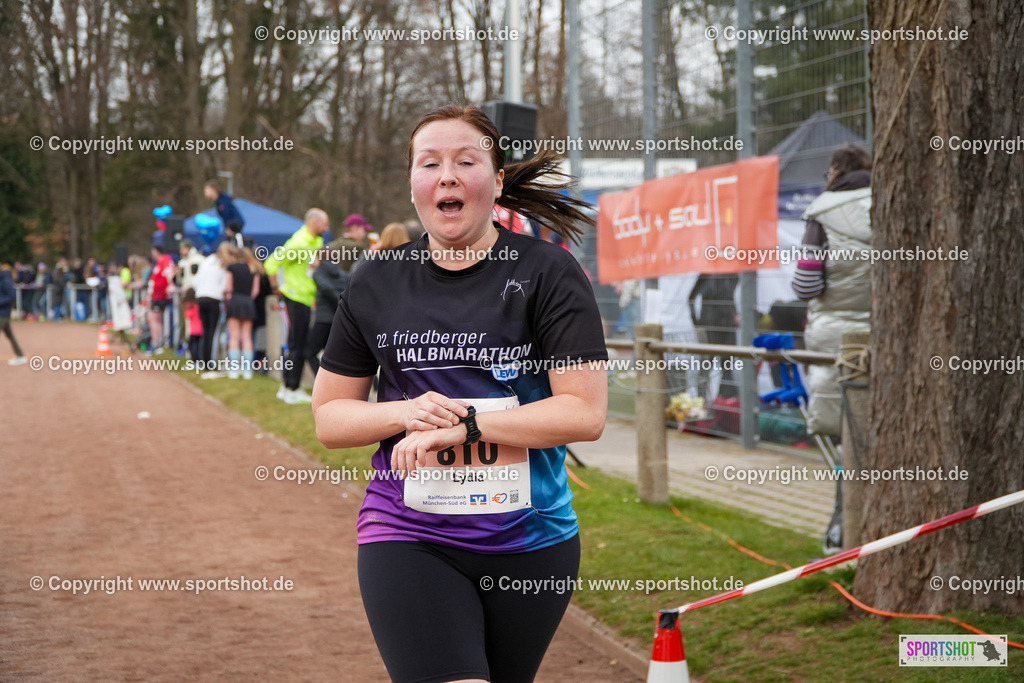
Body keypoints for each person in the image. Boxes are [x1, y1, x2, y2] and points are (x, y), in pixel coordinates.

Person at [311, 104, 607, 683]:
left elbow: (585, 412)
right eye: (430, 164)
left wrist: (469, 425)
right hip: (408, 533)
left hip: (531, 541)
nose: (446, 176)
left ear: (497, 180)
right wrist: (406, 412)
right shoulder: (376, 279)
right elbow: (329, 418)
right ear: (413, 185)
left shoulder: (548, 271)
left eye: (466, 161)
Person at [792, 143, 872, 554]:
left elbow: (807, 283)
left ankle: (843, 531)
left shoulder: (822, 213)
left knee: (846, 437)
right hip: (891, 338)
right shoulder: (896, 200)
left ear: (835, 172)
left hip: (837, 343)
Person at [264, 208, 330, 404]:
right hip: (296, 297)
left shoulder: (315, 241)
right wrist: (276, 287)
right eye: (324, 224)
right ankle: (292, 387)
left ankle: (287, 386)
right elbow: (271, 264)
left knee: (296, 343)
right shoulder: (299, 243)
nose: (327, 228)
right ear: (313, 223)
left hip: (306, 298)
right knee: (299, 344)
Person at [687, 273, 739, 401]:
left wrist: (735, 314)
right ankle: (701, 401)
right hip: (710, 327)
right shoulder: (707, 274)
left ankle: (724, 402)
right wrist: (698, 325)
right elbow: (691, 299)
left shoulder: (734, 274)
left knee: (727, 367)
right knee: (706, 366)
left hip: (727, 327)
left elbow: (729, 298)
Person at [306, 247, 349, 377]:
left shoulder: (318, 273)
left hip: (323, 319)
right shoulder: (342, 273)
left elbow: (325, 288)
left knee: (309, 352)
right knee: (334, 355)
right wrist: (343, 304)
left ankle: (322, 381)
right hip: (338, 319)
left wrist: (338, 301)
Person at [192, 242, 231, 375]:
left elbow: (195, 281)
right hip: (214, 299)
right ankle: (211, 364)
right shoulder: (223, 265)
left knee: (206, 332)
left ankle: (204, 362)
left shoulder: (207, 261)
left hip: (201, 298)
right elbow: (225, 287)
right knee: (213, 333)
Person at [224, 246, 261, 379]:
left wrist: (229, 298)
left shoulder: (232, 268)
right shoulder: (253, 269)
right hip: (248, 302)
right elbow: (255, 291)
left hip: (235, 300)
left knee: (234, 336)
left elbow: (229, 287)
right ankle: (247, 371)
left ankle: (234, 370)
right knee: (247, 337)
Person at [147, 245, 175, 353]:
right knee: (153, 318)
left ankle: (158, 343)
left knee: (155, 319)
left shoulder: (165, 260)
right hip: (156, 296)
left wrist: (170, 285)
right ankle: (156, 342)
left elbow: (169, 273)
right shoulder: (160, 263)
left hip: (161, 296)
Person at [204, 180, 246, 247]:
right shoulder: (219, 202)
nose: (205, 192)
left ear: (214, 190)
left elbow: (227, 215)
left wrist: (229, 228)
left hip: (234, 226)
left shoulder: (222, 202)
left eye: (207, 190)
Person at [1, 264, 27, 364]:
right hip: (3, 312)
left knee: (10, 335)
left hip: (3, 313)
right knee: (10, 335)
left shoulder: (6, 280)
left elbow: (11, 296)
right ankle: (20, 355)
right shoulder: (3, 279)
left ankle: (20, 356)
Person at [181, 288, 203, 362]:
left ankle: (195, 360)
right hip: (200, 329)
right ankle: (198, 359)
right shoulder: (198, 305)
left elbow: (188, 315)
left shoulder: (192, 306)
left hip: (194, 330)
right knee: (198, 346)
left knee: (192, 346)